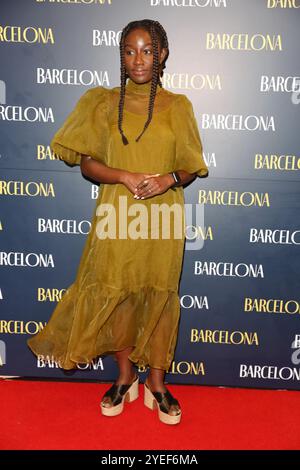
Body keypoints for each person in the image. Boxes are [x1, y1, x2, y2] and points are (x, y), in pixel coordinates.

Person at [27, 19, 208, 425]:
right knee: (118, 295)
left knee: (159, 295)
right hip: (116, 214)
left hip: (162, 218)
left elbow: (191, 167)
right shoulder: (102, 102)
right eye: (129, 50)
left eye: (147, 50)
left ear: (162, 55)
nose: (138, 59)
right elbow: (88, 163)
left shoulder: (178, 106)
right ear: (121, 55)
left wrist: (167, 179)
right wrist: (124, 176)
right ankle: (125, 378)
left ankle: (156, 385)